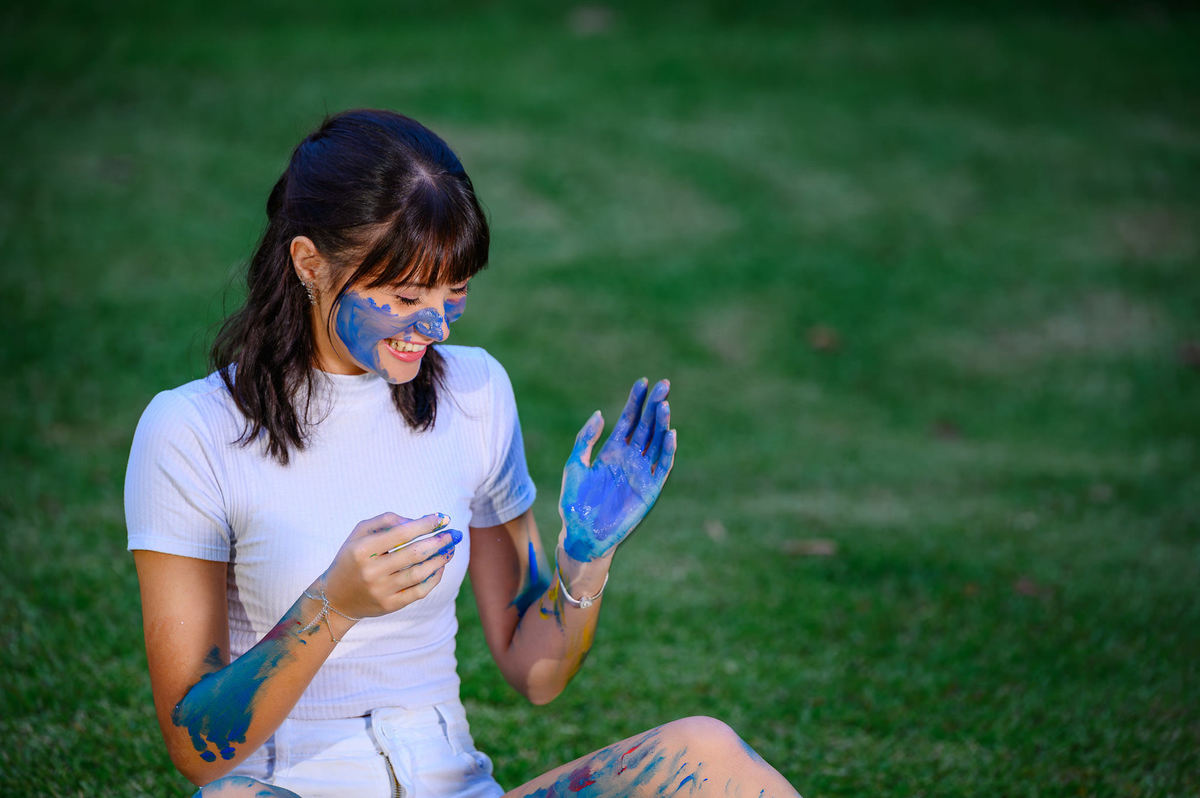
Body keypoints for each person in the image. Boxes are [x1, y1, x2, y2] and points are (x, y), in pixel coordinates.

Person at [125, 109, 801, 798]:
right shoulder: (191, 430)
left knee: (706, 752)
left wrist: (585, 559)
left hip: (453, 787)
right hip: (285, 787)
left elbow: (535, 672)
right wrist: (333, 606)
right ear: (310, 264)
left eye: (455, 292)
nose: (437, 325)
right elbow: (195, 748)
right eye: (406, 295)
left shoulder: (475, 393)